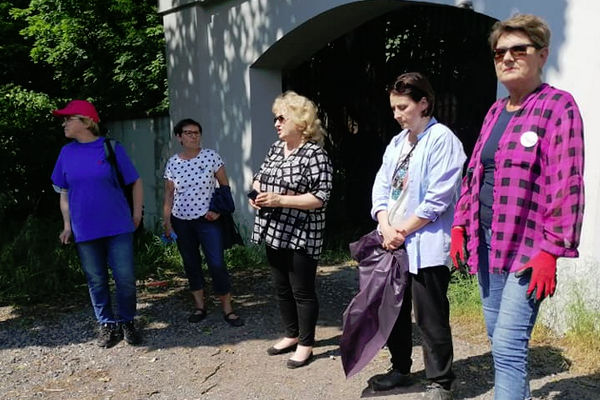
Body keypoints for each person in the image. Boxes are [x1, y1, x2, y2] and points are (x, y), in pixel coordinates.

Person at [451, 14, 584, 400]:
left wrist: (551, 250)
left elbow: (567, 182)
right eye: (499, 52)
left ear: (542, 55)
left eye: (518, 50)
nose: (507, 58)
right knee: (498, 339)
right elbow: (474, 173)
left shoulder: (558, 106)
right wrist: (460, 224)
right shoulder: (496, 111)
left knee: (509, 347)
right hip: (487, 242)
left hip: (529, 249)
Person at [368, 72, 466, 400]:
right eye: (393, 108)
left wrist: (402, 231)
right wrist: (385, 224)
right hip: (392, 241)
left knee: (430, 314)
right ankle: (400, 369)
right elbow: (382, 186)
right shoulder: (398, 142)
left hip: (426, 243)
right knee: (393, 310)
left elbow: (438, 198)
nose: (397, 114)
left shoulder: (442, 140)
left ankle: (441, 380)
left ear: (423, 103)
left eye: (403, 107)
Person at [250, 91, 333, 369]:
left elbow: (320, 197)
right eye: (276, 118)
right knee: (281, 288)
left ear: (300, 120)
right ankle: (291, 334)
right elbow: (259, 177)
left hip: (301, 233)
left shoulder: (315, 154)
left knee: (302, 291)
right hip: (274, 230)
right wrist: (256, 194)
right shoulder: (276, 148)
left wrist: (280, 200)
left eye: (282, 118)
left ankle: (306, 344)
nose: (276, 123)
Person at [51, 99, 143, 347]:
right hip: (84, 229)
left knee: (125, 278)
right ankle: (107, 324)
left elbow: (135, 181)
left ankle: (127, 321)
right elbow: (63, 191)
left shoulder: (110, 148)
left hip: (118, 226)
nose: (64, 123)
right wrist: (67, 226)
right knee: (96, 280)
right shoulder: (66, 153)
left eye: (68, 118)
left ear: (86, 121)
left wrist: (137, 214)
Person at [162, 118, 243, 327]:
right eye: (188, 133)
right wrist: (167, 222)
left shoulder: (211, 156)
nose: (194, 136)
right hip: (181, 221)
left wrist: (218, 211)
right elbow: (169, 194)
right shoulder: (173, 163)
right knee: (191, 263)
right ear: (179, 137)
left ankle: (228, 309)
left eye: (196, 132)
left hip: (207, 219)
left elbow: (224, 187)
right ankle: (200, 307)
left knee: (217, 263)